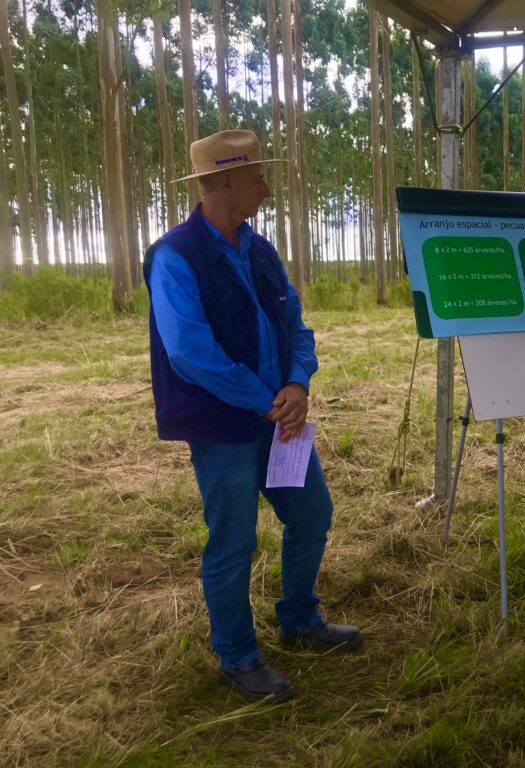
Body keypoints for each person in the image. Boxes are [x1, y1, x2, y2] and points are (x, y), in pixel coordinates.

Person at [143, 129, 362, 702]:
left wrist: (297, 381)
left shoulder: (260, 250)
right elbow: (189, 352)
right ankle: (238, 656)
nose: (267, 186)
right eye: (257, 176)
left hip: (279, 418)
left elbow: (294, 324)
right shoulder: (174, 257)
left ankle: (299, 619)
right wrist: (264, 399)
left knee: (312, 513)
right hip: (226, 429)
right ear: (221, 182)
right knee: (234, 540)